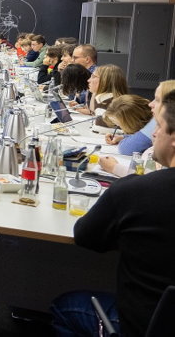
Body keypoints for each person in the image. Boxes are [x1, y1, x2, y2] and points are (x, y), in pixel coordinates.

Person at [51, 90, 175, 337]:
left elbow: (85, 237)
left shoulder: (136, 191)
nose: (153, 133)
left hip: (142, 325)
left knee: (67, 307)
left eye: (159, 126)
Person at [101, 80, 175, 160]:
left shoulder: (158, 122)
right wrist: (123, 137)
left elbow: (126, 148)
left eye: (157, 100)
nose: (150, 104)